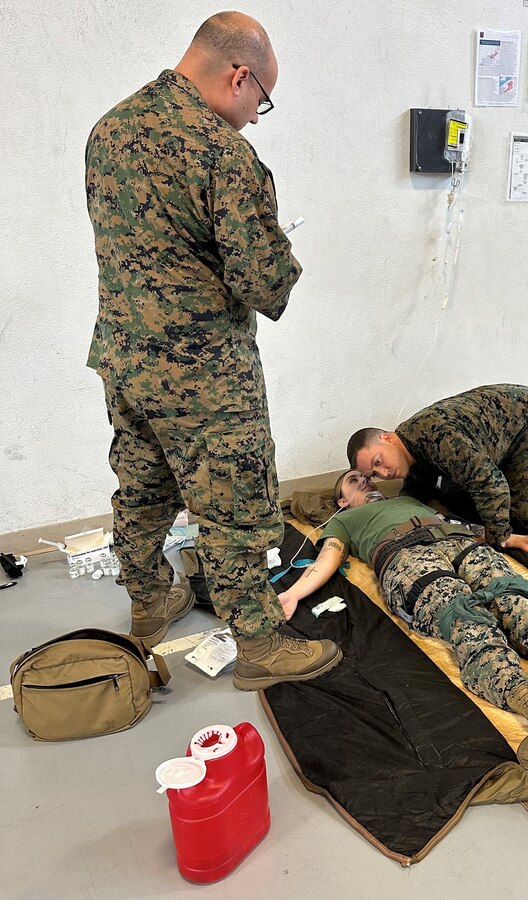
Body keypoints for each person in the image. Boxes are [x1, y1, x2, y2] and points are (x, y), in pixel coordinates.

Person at [85, 11, 340, 690]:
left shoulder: (109, 129)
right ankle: (260, 644)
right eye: (261, 99)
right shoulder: (223, 154)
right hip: (203, 374)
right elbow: (263, 282)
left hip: (124, 355)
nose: (256, 116)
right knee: (231, 506)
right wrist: (283, 251)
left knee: (140, 488)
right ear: (239, 75)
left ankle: (149, 602)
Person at [277, 471, 528, 738]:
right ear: (342, 499)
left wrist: (514, 541)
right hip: (405, 558)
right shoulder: (344, 520)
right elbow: (328, 557)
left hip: (460, 543)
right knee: (466, 618)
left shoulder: (410, 498)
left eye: (367, 476)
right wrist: (294, 593)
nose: (365, 481)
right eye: (353, 481)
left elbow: (467, 526)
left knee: (518, 604)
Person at [347, 385, 528, 557]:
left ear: (388, 438)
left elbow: (492, 486)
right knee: (455, 496)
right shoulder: (410, 445)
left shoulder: (439, 439)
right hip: (500, 439)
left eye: (379, 462)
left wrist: (501, 538)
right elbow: (418, 487)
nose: (383, 473)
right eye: (375, 474)